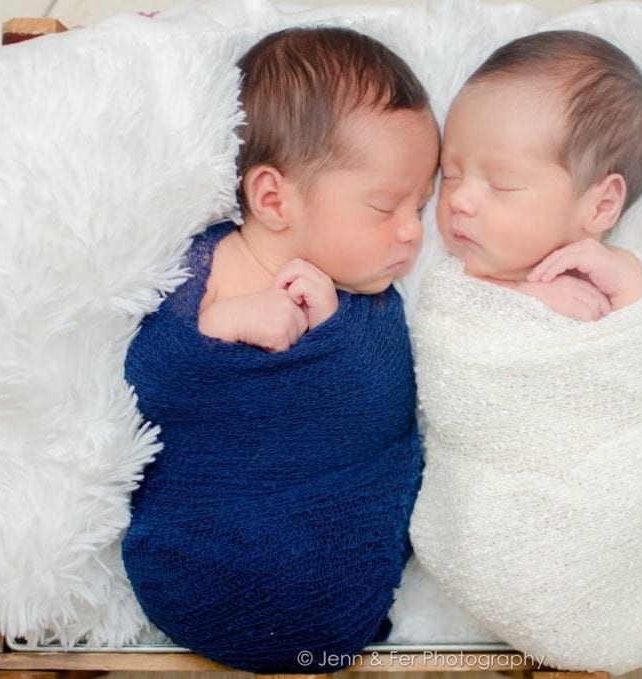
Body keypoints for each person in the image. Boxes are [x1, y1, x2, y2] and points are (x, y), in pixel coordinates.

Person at [121, 26, 438, 673]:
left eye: (422, 204)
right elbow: (140, 382)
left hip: (335, 582)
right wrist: (218, 326)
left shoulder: (368, 303)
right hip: (196, 564)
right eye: (385, 206)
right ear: (273, 198)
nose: (412, 232)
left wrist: (333, 340)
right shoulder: (197, 270)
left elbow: (390, 410)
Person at [407, 30, 642, 675]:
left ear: (600, 204)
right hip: (498, 518)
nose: (458, 198)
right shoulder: (455, 293)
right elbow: (462, 385)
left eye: (502, 183)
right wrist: (517, 294)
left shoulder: (623, 282)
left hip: (616, 500)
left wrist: (628, 291)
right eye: (451, 173)